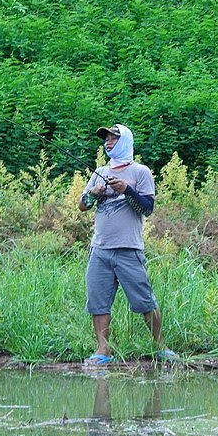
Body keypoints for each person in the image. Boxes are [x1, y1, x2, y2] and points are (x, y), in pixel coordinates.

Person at [78, 123, 178, 365]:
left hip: (129, 249)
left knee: (144, 300)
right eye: (106, 139)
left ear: (125, 142)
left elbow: (148, 208)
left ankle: (160, 346)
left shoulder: (140, 172)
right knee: (98, 301)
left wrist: (127, 190)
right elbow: (83, 205)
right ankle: (103, 350)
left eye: (112, 138)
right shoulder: (99, 171)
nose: (107, 142)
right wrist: (95, 193)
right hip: (100, 249)